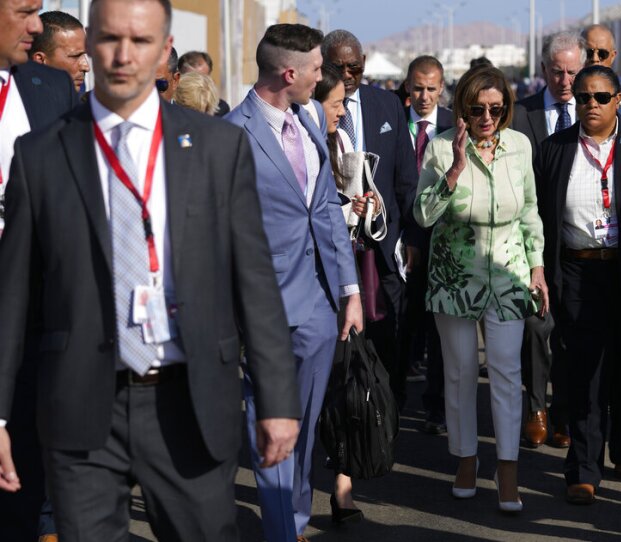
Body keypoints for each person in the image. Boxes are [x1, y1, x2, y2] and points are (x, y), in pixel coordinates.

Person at [0, 0, 302, 540]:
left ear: (165, 52)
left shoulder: (217, 147)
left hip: (189, 402)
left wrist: (278, 399)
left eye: (140, 42)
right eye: (111, 39)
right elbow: (13, 296)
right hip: (80, 405)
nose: (123, 55)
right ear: (90, 42)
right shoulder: (39, 154)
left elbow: (253, 279)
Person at [224, 24, 362, 542]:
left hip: (321, 307)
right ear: (290, 73)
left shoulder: (305, 121)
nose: (321, 77)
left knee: (302, 431)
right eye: (316, 69)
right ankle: (282, 532)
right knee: (273, 426)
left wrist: (349, 292)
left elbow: (326, 207)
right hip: (266, 310)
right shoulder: (234, 133)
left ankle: (295, 520)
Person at [535, 64, 621, 505]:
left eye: (599, 97)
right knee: (584, 374)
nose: (589, 105)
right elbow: (537, 215)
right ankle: (583, 468)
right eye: (582, 97)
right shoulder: (556, 148)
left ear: (619, 100)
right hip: (578, 272)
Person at [414, 65, 548, 514]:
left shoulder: (519, 146)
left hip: (508, 274)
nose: (487, 116)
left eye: (496, 108)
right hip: (455, 275)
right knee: (460, 372)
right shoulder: (438, 148)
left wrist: (537, 267)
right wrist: (453, 169)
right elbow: (423, 216)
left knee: (508, 373)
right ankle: (466, 459)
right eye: (477, 109)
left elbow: (530, 210)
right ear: (463, 109)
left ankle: (507, 467)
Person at [0, 2, 79, 540]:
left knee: (23, 489)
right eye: (25, 10)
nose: (35, 27)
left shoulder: (52, 90)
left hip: (31, 328)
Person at [322, 30, 420, 408]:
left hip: (383, 246)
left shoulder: (388, 105)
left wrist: (411, 238)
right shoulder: (312, 110)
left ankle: (387, 412)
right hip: (335, 247)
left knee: (387, 336)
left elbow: (406, 178)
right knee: (340, 339)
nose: (347, 75)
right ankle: (340, 415)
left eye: (355, 67)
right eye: (338, 67)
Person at [512, 30, 587, 450]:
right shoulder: (520, 116)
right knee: (536, 327)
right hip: (529, 242)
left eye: (572, 72)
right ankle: (536, 406)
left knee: (572, 332)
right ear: (543, 71)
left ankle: (564, 413)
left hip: (577, 241)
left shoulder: (592, 112)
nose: (564, 81)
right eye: (557, 72)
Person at [313, 62, 377, 526]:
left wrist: (359, 208)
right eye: (335, 103)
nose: (343, 111)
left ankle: (342, 485)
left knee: (345, 384)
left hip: (345, 271)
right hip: (304, 282)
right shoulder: (291, 142)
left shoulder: (339, 140)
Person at [401, 55, 454, 435]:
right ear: (407, 86)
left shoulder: (455, 126)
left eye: (431, 89)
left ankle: (436, 407)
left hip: (444, 243)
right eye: (417, 87)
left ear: (441, 89)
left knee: (440, 333)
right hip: (400, 238)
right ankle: (392, 402)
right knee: (403, 326)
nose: (424, 96)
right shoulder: (390, 124)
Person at [29, 11, 90, 93]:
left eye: (84, 55)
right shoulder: (15, 101)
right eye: (75, 56)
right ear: (40, 60)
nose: (86, 67)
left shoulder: (82, 98)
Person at [178, 50, 230, 116]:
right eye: (191, 80)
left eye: (203, 78)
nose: (197, 84)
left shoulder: (221, 110)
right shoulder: (169, 109)